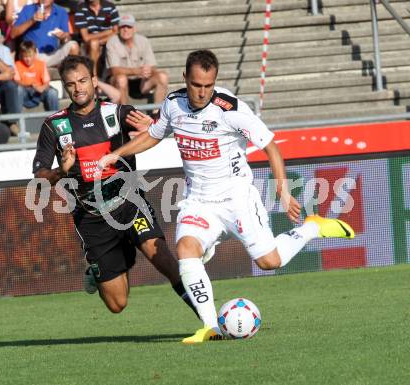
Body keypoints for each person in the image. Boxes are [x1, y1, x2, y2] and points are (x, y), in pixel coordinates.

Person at [97, 49, 356, 344]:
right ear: (185, 79)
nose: (202, 92)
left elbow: (271, 146)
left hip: (237, 199)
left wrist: (283, 190)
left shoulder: (231, 109)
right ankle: (210, 327)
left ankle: (312, 227)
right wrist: (115, 155)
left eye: (208, 85)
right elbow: (155, 134)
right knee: (185, 250)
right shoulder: (173, 103)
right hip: (199, 201)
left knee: (269, 262)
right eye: (196, 85)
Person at [32, 55, 197, 317]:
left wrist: (153, 126)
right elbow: (39, 179)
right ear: (65, 87)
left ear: (95, 81)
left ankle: (208, 320)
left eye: (83, 80)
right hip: (92, 217)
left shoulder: (118, 112)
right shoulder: (54, 126)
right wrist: (60, 170)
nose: (79, 88)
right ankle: (100, 269)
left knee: (161, 256)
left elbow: (157, 128)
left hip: (130, 203)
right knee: (118, 304)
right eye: (71, 84)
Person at [106, 14, 168, 106]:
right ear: (118, 29)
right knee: (121, 79)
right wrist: (138, 71)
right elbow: (114, 70)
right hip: (119, 82)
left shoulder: (143, 41)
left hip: (141, 81)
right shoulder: (112, 42)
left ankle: (157, 114)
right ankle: (124, 115)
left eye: (129, 26)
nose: (125, 29)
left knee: (163, 76)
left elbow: (152, 66)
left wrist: (149, 71)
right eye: (123, 26)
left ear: (134, 28)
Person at [10, 0, 80, 67]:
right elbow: (13, 34)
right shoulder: (28, 9)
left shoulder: (61, 11)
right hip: (33, 55)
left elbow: (67, 37)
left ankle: (72, 75)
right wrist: (32, 20)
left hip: (53, 54)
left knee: (73, 46)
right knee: (30, 53)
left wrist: (63, 37)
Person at [74, 0, 119, 77]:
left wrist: (101, 41)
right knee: (94, 43)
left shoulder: (110, 6)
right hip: (88, 44)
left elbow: (116, 32)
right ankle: (93, 76)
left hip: (108, 41)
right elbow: (86, 37)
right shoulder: (81, 9)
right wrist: (107, 32)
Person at [14, 40, 59, 111]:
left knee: (52, 92)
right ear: (21, 55)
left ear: (35, 54)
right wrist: (31, 85)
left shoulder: (41, 64)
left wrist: (42, 88)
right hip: (25, 91)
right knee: (18, 90)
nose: (28, 59)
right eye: (25, 56)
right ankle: (16, 119)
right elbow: (17, 81)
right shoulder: (17, 64)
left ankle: (55, 119)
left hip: (39, 91)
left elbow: (46, 82)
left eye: (30, 56)